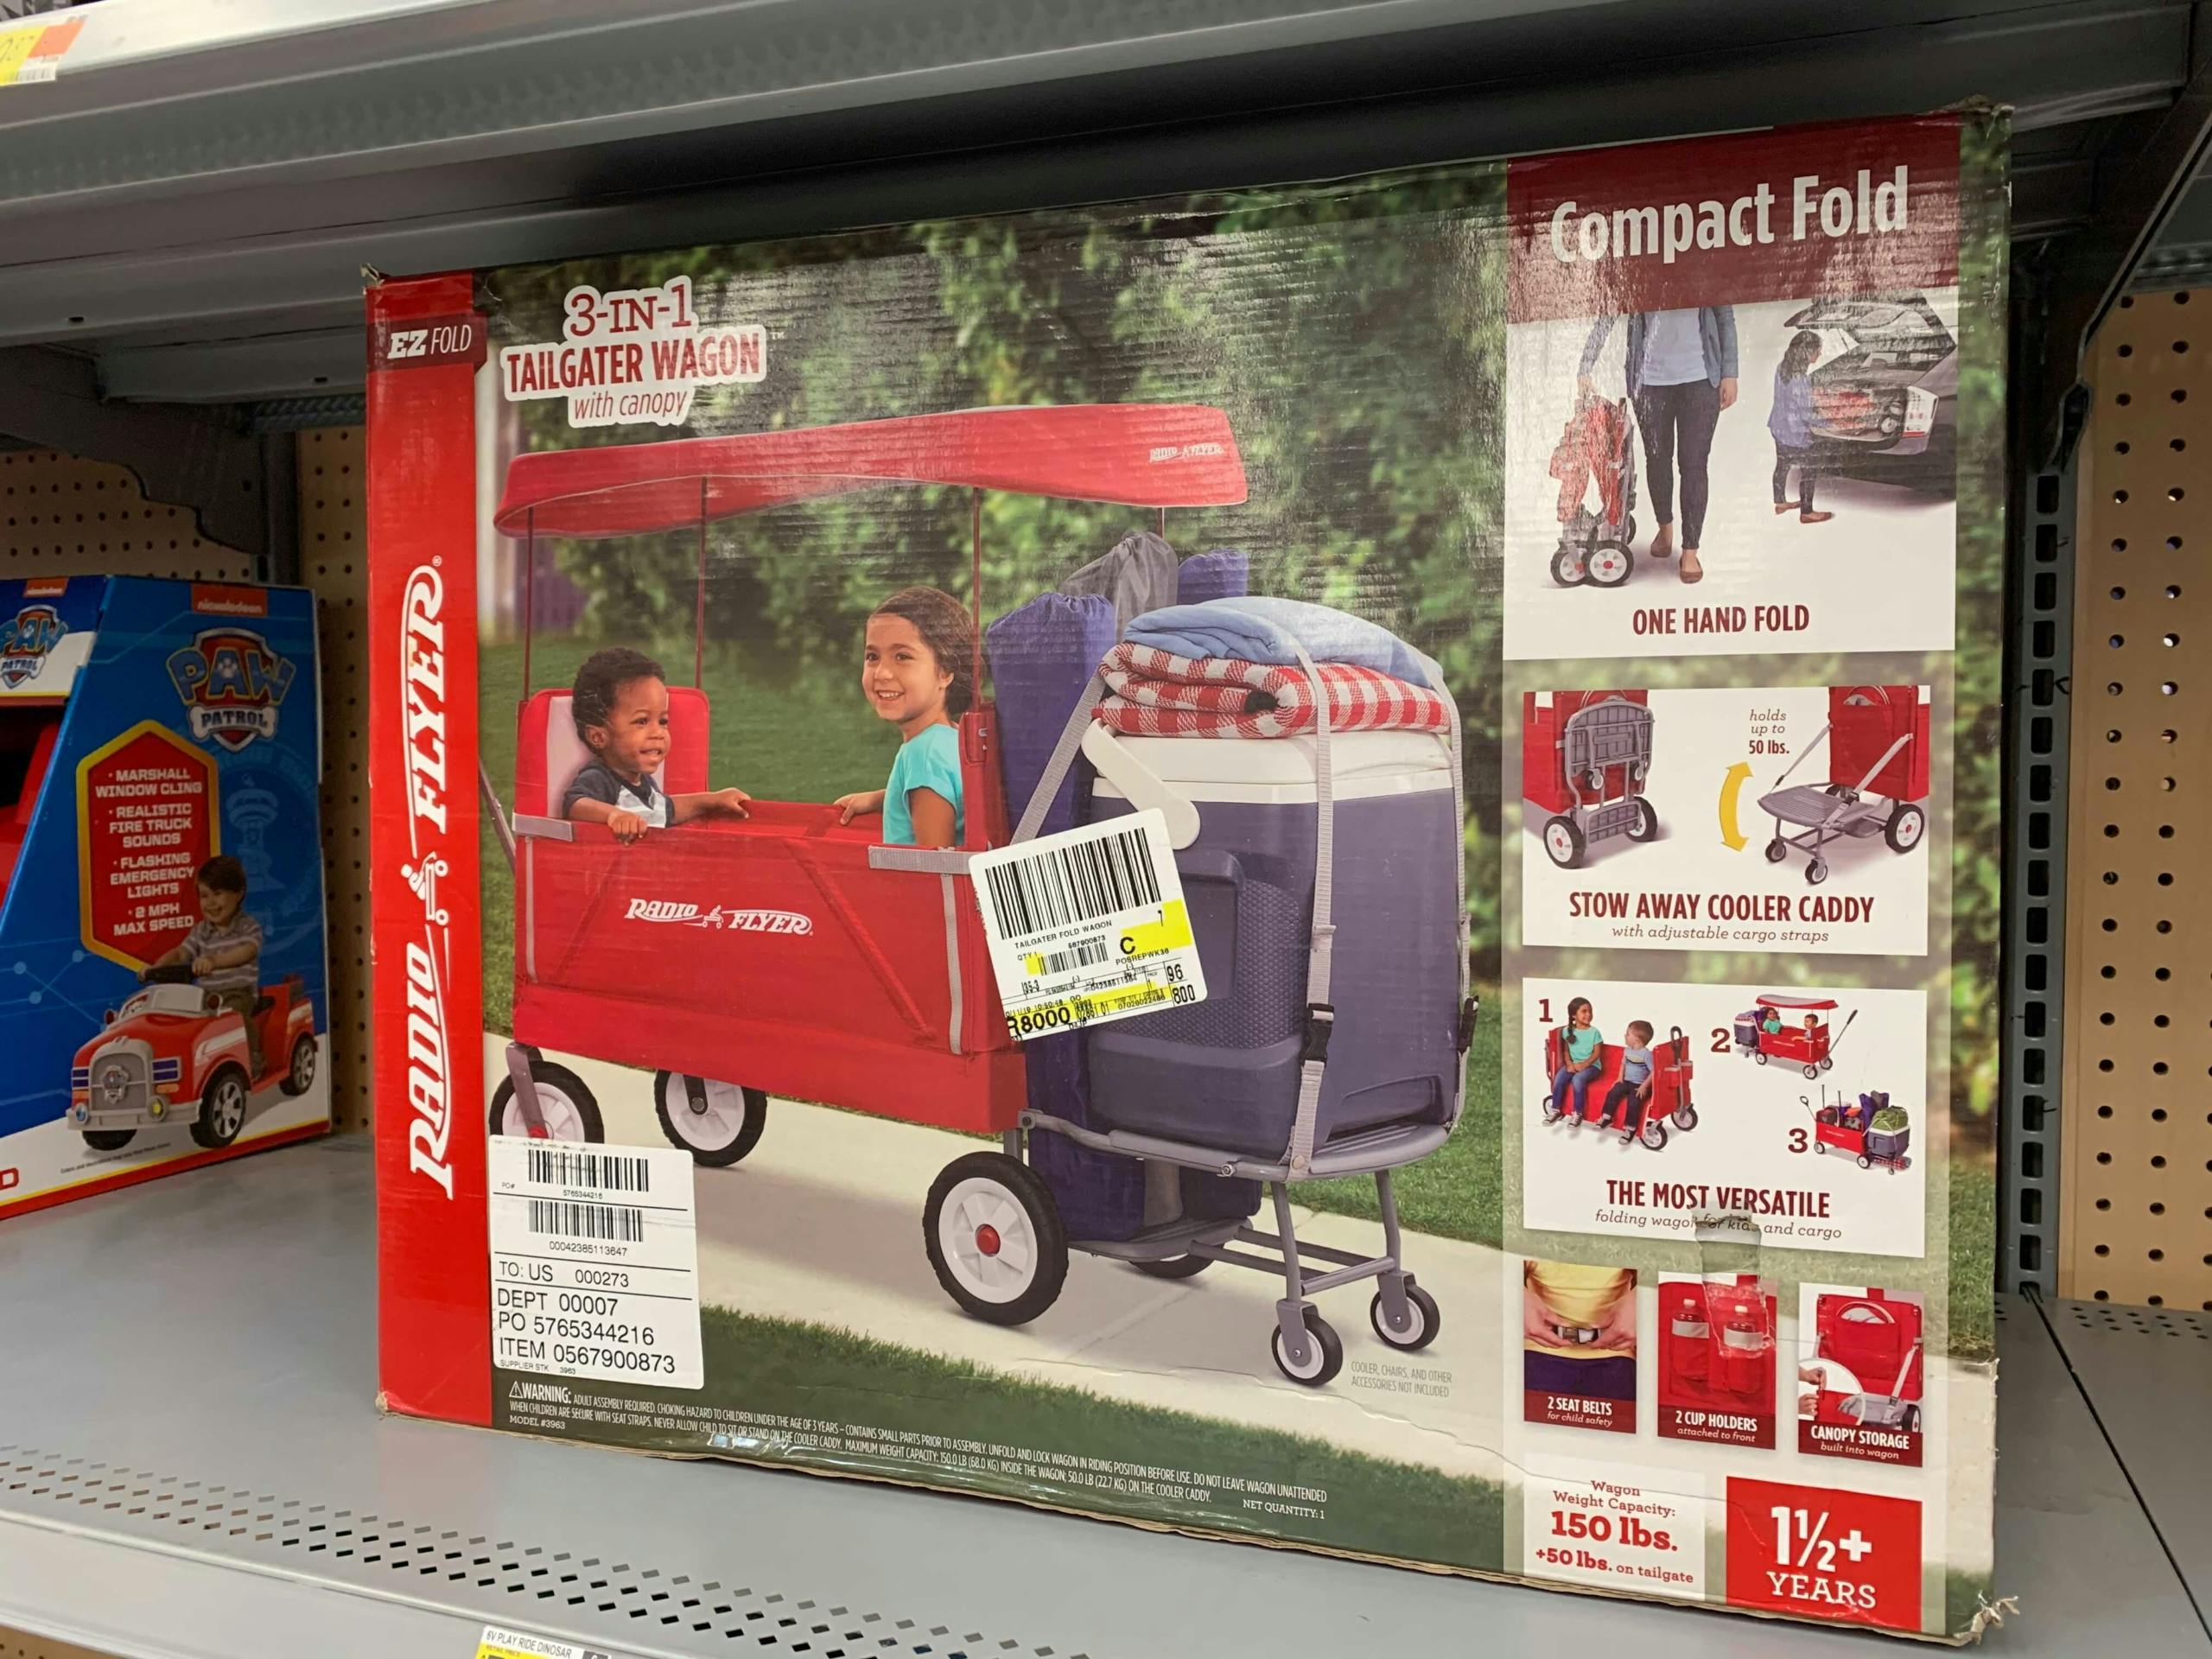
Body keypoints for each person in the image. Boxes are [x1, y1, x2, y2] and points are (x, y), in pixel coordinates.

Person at [1578, 306, 1739, 585]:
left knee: (1694, 465)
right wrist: (1585, 366)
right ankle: (1665, 528)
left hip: (1701, 379)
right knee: (1657, 460)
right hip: (1650, 382)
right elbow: (1607, 313)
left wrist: (1730, 373)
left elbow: (1724, 314)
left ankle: (1690, 550)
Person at [834, 587, 977, 849]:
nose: (881, 673)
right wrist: (883, 799)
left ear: (945, 672)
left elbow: (934, 865)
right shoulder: (954, 737)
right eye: (872, 656)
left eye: (902, 657)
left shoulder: (922, 753)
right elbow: (947, 796)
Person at [563, 647, 750, 843]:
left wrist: (713, 799)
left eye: (663, 721)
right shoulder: (600, 778)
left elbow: (668, 809)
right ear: (598, 737)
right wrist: (614, 816)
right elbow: (575, 804)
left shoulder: (645, 783)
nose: (658, 733)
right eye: (642, 721)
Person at [152, 855, 268, 1077]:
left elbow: (247, 951)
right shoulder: (200, 931)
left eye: (218, 894)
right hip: (205, 996)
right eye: (204, 896)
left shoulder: (248, 926)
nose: (211, 903)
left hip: (238, 992)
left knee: (235, 1018)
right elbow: (180, 953)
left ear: (239, 893)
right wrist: (156, 968)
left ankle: (253, 1057)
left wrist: (213, 962)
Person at [1769, 330, 1834, 527]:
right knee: (1810, 471)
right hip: (1795, 433)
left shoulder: (1782, 368)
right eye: (1817, 350)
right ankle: (1807, 512)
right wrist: (1830, 423)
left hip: (1778, 427)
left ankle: (1780, 503)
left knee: (1782, 465)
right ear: (1806, 352)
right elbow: (1806, 415)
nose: (1820, 353)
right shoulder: (1800, 378)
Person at [1544, 995, 1605, 1126]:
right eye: (1584, 1011)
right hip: (1573, 1064)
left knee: (1578, 1079)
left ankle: (1578, 1113)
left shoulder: (1594, 1032)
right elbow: (1566, 1051)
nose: (1588, 1014)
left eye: (1590, 1011)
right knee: (1559, 1079)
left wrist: (1584, 1065)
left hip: (1592, 1066)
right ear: (1573, 1015)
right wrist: (1569, 1064)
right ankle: (1555, 1110)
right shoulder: (1567, 1031)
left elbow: (1597, 1053)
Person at [1602, 1020, 1656, 1145]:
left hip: (1638, 1084)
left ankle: (1630, 1129)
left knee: (1634, 1101)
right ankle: (1606, 1117)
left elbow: (1653, 1071)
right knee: (1613, 1092)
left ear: (1636, 1039)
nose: (1624, 1036)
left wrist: (1644, 1086)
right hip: (1626, 1081)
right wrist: (1619, 1078)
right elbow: (1623, 1064)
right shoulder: (1627, 1050)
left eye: (1627, 1034)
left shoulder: (1646, 1054)